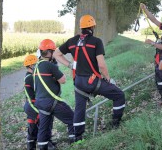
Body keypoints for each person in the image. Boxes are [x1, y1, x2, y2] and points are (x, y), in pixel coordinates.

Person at [53, 14, 126, 142]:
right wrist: (108, 79)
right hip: (93, 82)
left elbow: (56, 54)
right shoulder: (96, 42)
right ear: (92, 27)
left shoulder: (72, 41)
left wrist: (70, 65)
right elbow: (102, 65)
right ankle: (116, 123)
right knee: (119, 95)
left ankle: (78, 137)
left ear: (81, 27)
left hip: (78, 83)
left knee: (79, 109)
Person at [34, 39, 75, 150]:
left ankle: (43, 148)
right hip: (52, 101)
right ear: (49, 52)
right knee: (72, 118)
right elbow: (63, 80)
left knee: (44, 128)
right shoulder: (50, 65)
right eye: (53, 51)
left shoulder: (36, 66)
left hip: (40, 102)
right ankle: (75, 142)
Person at [23, 55, 56, 150]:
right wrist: (37, 110)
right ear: (30, 66)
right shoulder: (29, 78)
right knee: (43, 124)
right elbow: (30, 96)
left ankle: (43, 143)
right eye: (35, 64)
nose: (37, 66)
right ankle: (46, 145)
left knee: (34, 127)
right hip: (32, 105)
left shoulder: (32, 75)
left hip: (33, 104)